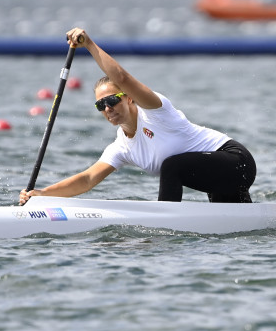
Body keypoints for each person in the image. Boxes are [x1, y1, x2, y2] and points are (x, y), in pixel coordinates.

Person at [19, 27, 257, 206]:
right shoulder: (122, 147)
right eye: (100, 105)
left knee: (172, 166)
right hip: (215, 180)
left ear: (129, 98)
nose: (107, 108)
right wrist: (42, 194)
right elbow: (87, 179)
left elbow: (121, 78)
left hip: (236, 162)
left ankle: (165, 227)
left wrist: (89, 44)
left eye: (112, 100)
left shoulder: (156, 111)